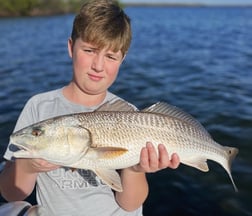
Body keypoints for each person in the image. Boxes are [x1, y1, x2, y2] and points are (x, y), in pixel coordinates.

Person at [0, 0, 180, 215]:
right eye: (89, 50)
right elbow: (12, 194)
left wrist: (135, 169)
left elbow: (131, 204)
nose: (98, 65)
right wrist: (28, 166)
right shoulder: (38, 107)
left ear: (122, 60)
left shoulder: (130, 114)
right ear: (70, 47)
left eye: (111, 56)